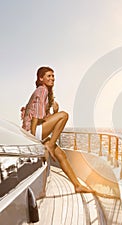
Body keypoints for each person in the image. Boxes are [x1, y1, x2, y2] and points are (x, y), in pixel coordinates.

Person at [21, 66, 94, 194]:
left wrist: (54, 111)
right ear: (40, 78)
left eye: (53, 76)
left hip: (37, 130)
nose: (52, 78)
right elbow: (36, 118)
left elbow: (43, 118)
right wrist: (32, 139)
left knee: (62, 155)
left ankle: (77, 185)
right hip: (33, 131)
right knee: (64, 115)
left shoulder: (45, 93)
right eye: (48, 76)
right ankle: (50, 144)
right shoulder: (42, 90)